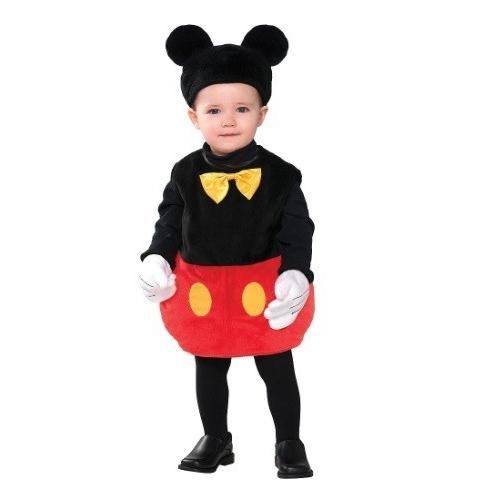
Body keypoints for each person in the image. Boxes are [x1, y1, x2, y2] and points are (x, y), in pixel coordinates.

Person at [139, 24, 316, 479]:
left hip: (263, 288)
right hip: (204, 291)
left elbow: (298, 229)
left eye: (242, 108)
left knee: (276, 364)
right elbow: (168, 223)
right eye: (214, 109)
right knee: (209, 365)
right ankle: (216, 437)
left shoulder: (282, 175)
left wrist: (297, 271)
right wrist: (155, 256)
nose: (229, 120)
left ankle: (289, 441)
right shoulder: (183, 173)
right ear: (193, 116)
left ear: (262, 113)